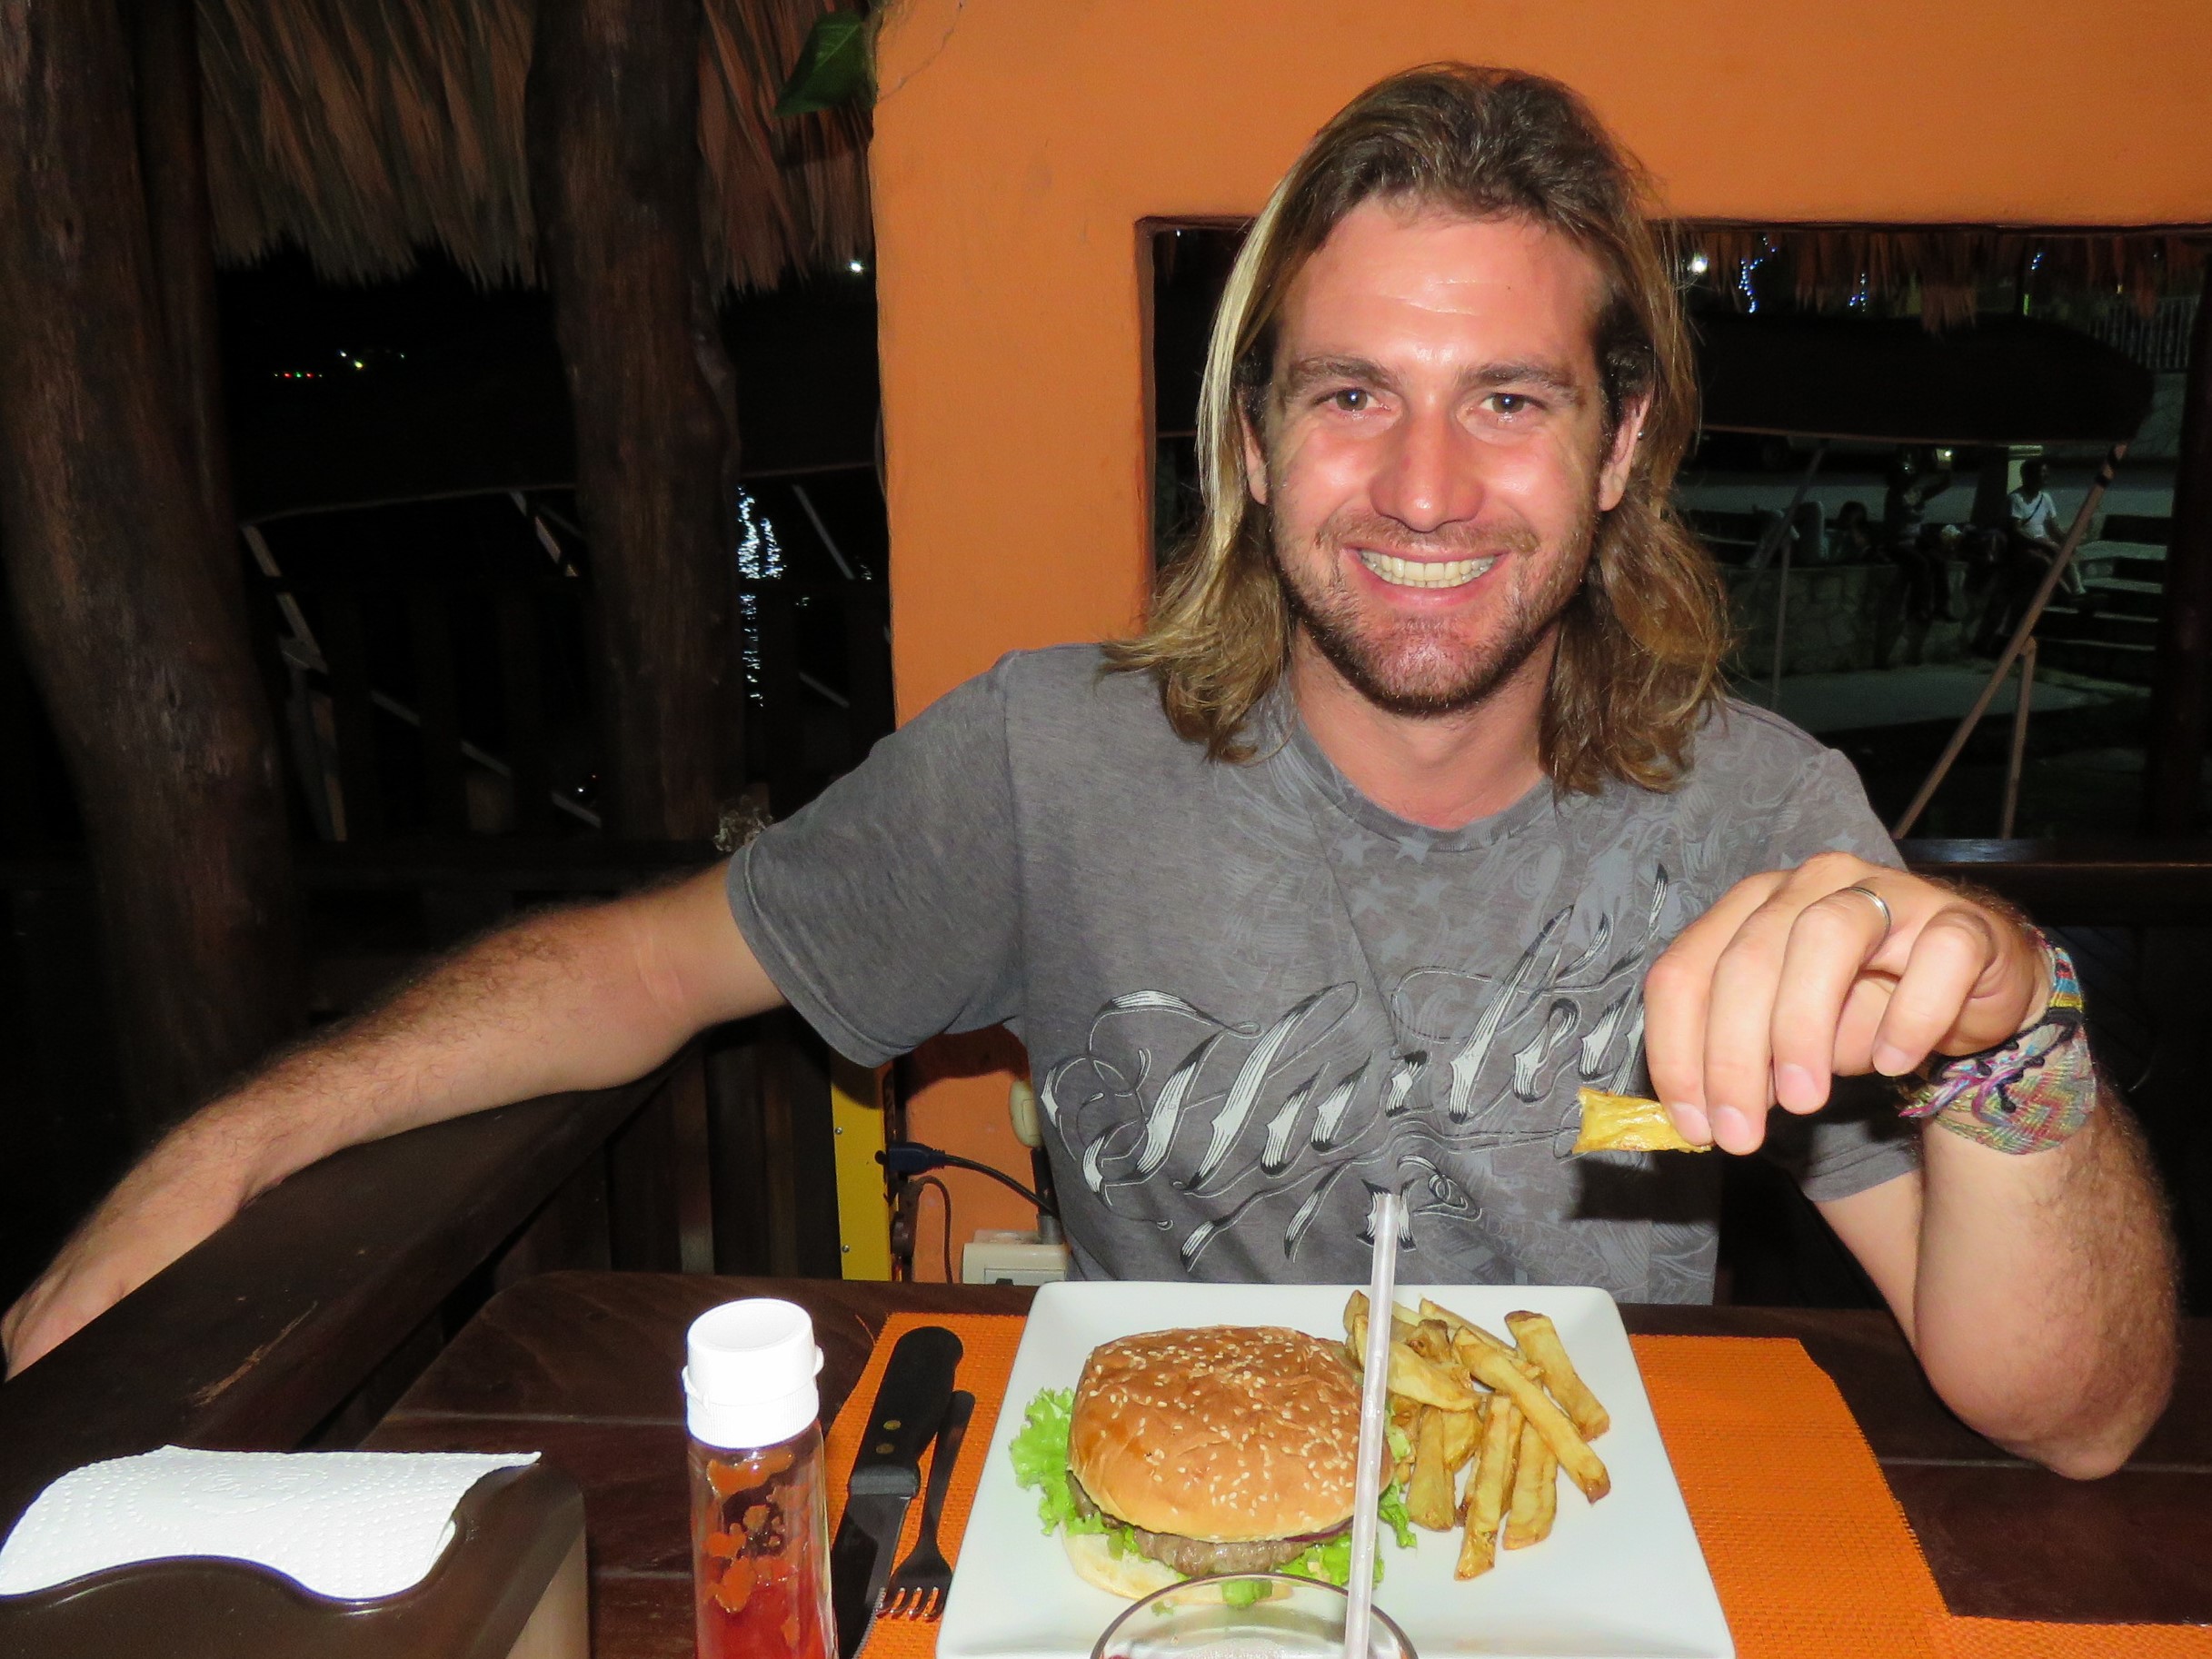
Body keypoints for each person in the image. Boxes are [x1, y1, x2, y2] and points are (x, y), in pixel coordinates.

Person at [5, 66, 2174, 1478]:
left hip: (1575, 1565)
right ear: (1251, 443)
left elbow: (2074, 1421)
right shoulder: (1047, 761)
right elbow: (640, 966)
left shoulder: (1753, 813)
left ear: (1615, 454)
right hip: (1144, 1556)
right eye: (1349, 394)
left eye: (1506, 400)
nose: (1424, 486)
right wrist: (248, 1135)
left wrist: (2011, 1013)